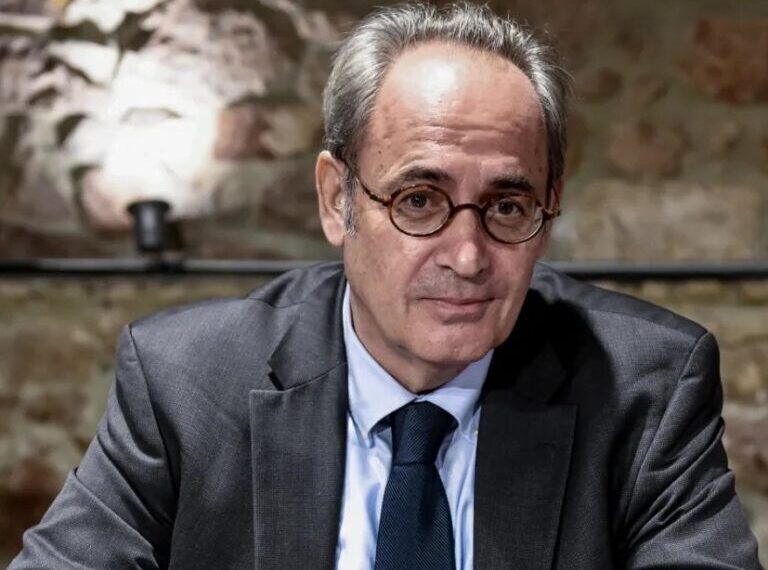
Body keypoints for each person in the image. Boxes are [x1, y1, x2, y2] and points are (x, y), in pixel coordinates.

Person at [10, 2, 762, 569]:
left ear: (549, 207)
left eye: (507, 207)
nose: (466, 257)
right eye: (419, 200)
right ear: (336, 200)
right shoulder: (187, 382)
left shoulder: (643, 388)